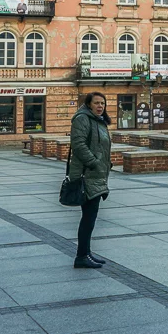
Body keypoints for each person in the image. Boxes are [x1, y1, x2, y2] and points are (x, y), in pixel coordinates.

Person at [68, 92, 112, 269]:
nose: (100, 106)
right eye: (96, 103)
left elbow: (99, 145)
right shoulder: (82, 119)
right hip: (87, 175)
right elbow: (78, 144)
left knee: (90, 217)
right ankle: (81, 256)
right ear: (88, 104)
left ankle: (86, 252)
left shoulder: (98, 121)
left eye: (103, 103)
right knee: (88, 217)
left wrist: (106, 163)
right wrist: (94, 162)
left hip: (96, 174)